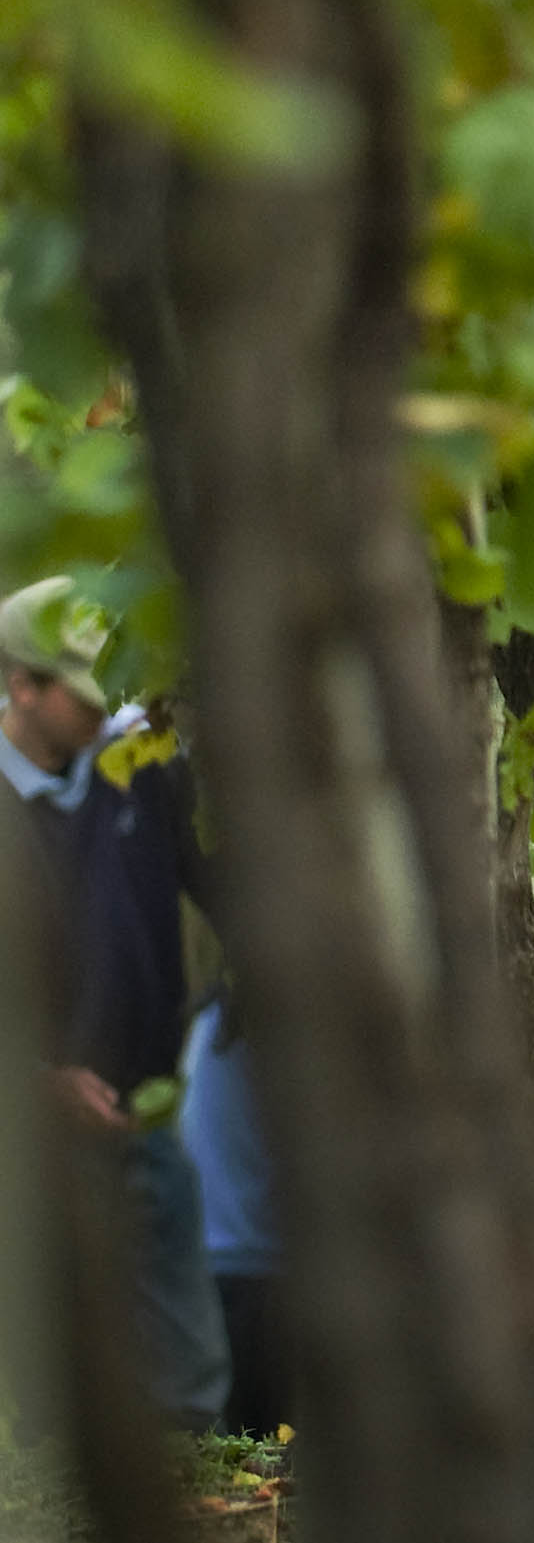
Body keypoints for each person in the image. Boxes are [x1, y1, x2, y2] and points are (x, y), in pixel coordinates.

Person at [3, 575, 227, 1427]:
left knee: (192, 1373)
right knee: (55, 1398)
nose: (109, 711)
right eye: (82, 692)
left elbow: (229, 889)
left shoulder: (142, 766)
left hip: (145, 1117)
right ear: (24, 685)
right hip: (29, 1149)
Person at [178, 995, 288, 1438]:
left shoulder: (207, 1023)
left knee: (241, 1438)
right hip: (265, 1270)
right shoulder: (280, 1037)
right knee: (275, 1443)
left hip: (207, 1266)